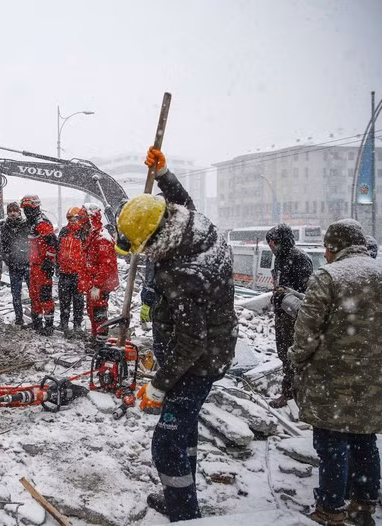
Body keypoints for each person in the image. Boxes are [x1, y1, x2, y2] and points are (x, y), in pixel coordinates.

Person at [117, 147, 237, 522]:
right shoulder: (195, 228)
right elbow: (180, 203)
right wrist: (165, 175)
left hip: (196, 363)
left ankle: (182, 511)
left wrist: (159, 385)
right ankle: (186, 495)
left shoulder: (181, 271)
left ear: (154, 239)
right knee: (184, 430)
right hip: (215, 350)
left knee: (167, 440)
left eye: (143, 248)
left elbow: (191, 340)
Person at [288, 219, 382, 526]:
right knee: (365, 440)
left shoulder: (328, 276)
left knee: (332, 444)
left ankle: (331, 508)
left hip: (330, 380)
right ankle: (363, 504)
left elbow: (306, 333)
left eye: (327, 249)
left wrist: (297, 360)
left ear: (333, 247)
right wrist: (370, 359)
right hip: (371, 380)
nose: (326, 255)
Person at [266, 223, 314, 408]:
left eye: (272, 243)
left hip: (294, 316)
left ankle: (292, 394)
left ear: (279, 241)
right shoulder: (280, 258)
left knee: (292, 354)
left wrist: (286, 293)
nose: (270, 247)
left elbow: (306, 293)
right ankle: (291, 392)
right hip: (282, 312)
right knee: (283, 353)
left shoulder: (299, 258)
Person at [79, 203, 119, 348]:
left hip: (100, 284)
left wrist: (97, 285)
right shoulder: (93, 235)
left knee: (99, 312)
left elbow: (106, 265)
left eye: (83, 221)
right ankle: (96, 337)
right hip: (93, 282)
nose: (81, 225)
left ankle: (101, 343)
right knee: (92, 311)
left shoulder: (102, 238)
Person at [20, 194, 58, 335]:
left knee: (44, 296)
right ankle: (37, 323)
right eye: (25, 209)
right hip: (34, 265)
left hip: (42, 266)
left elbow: (52, 244)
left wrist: (49, 263)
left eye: (28, 208)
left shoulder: (42, 223)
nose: (26, 212)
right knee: (34, 294)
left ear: (35, 207)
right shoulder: (33, 223)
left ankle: (48, 325)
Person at [57, 207, 86, 337]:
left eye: (74, 219)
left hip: (78, 273)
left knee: (78, 300)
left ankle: (77, 324)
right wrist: (58, 266)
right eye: (69, 219)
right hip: (64, 272)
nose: (71, 221)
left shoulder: (84, 233)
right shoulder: (64, 231)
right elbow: (58, 250)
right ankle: (63, 323)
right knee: (64, 300)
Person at [0, 202, 30, 325]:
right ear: (7, 212)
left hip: (27, 264)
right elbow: (2, 246)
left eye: (15, 210)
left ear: (19, 212)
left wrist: (28, 256)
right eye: (10, 211)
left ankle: (35, 317)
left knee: (32, 292)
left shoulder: (26, 225)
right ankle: (19, 318)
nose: (12, 213)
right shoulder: (5, 228)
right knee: (16, 294)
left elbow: (31, 243)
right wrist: (8, 258)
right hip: (14, 266)